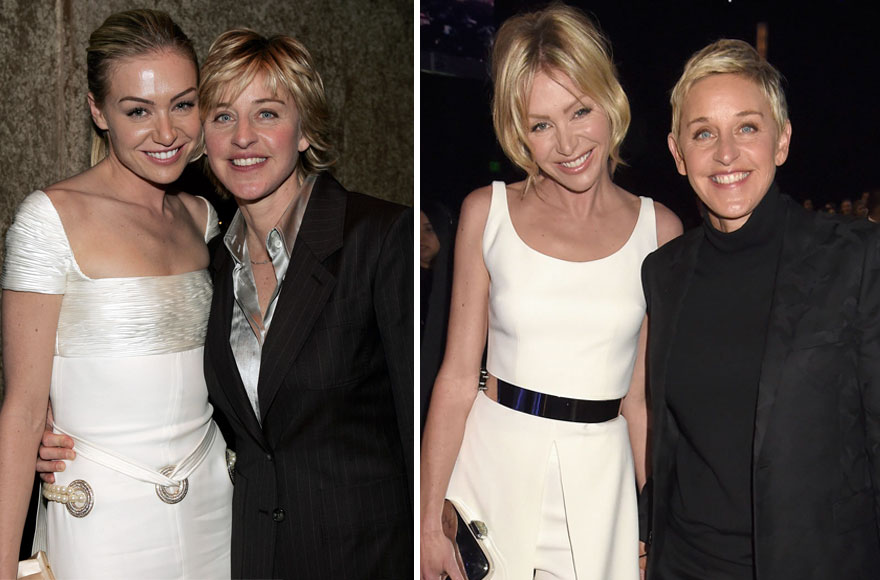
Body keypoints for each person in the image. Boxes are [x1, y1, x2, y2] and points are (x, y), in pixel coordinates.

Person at [420, 5, 681, 580]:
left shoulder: (659, 230)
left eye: (579, 111)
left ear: (609, 100)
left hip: (603, 490)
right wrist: (425, 523)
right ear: (520, 132)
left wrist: (655, 527)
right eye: (541, 125)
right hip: (490, 477)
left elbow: (640, 401)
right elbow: (457, 377)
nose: (566, 142)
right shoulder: (486, 212)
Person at [0, 9, 232, 579]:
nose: (167, 133)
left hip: (214, 505)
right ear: (98, 111)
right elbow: (24, 410)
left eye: (183, 104)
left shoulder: (203, 218)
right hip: (99, 517)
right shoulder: (49, 220)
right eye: (138, 111)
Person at [642, 38, 880, 579]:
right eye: (704, 133)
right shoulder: (664, 272)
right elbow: (669, 441)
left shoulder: (856, 258)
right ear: (678, 154)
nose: (726, 153)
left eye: (747, 127)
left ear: (782, 141)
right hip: (685, 566)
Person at [197, 29, 412, 578]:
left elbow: (421, 421)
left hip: (367, 559)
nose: (242, 137)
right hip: (253, 558)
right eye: (223, 117)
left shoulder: (379, 238)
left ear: (306, 130)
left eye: (266, 113)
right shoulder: (209, 263)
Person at [420, 202, 456, 432]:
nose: (421, 238)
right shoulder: (399, 277)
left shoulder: (453, 282)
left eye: (429, 229)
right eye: (416, 230)